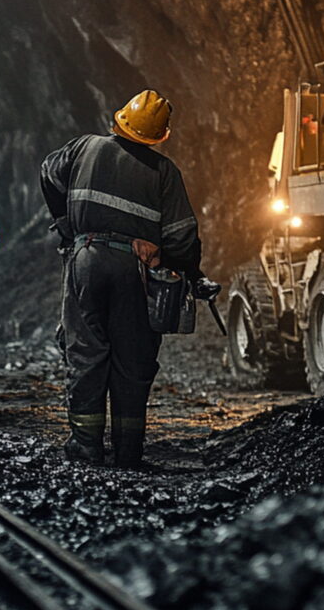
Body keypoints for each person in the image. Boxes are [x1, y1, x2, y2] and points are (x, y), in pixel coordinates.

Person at [40, 89, 219, 467]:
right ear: (161, 136)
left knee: (87, 353)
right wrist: (187, 270)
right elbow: (181, 235)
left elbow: (47, 173)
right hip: (134, 271)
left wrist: (64, 224)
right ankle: (128, 453)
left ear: (119, 120)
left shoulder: (84, 147)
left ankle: (86, 447)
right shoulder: (163, 172)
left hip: (85, 258)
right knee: (132, 360)